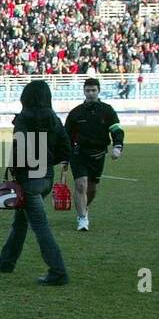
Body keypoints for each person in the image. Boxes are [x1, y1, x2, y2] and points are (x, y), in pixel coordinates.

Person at [0, 80, 70, 285]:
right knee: (21, 221)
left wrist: (13, 172)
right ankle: (6, 261)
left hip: (29, 179)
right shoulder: (54, 119)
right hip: (46, 178)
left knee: (40, 227)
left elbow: (19, 149)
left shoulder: (24, 119)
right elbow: (66, 148)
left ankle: (58, 271)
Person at [64, 77, 124, 231]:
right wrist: (64, 157)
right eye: (88, 90)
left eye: (93, 90)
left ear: (99, 91)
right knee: (80, 185)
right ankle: (82, 219)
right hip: (79, 153)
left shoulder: (107, 110)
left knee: (92, 188)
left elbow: (117, 130)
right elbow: (66, 137)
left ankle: (84, 208)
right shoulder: (76, 113)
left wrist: (118, 146)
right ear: (83, 91)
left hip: (98, 154)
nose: (90, 93)